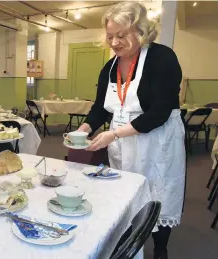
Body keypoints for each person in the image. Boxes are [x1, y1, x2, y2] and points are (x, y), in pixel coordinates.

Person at [77, 2, 185, 259]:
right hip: (123, 141)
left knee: (158, 193)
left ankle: (161, 249)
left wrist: (113, 134)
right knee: (125, 191)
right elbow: (101, 109)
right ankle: (128, 238)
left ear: (140, 31)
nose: (113, 42)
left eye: (121, 35)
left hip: (158, 140)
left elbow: (159, 112)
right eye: (110, 36)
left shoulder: (162, 58)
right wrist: (83, 129)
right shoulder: (110, 67)